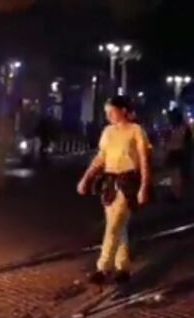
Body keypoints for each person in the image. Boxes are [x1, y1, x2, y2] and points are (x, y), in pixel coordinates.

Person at [77, 96, 151, 285]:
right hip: (109, 182)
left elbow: (144, 159)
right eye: (106, 112)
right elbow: (101, 157)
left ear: (123, 110)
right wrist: (86, 178)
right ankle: (123, 268)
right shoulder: (108, 132)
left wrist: (144, 186)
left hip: (128, 182)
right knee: (119, 226)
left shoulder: (136, 130)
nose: (108, 115)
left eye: (111, 111)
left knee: (114, 225)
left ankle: (104, 268)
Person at [165, 108, 192, 199]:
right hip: (174, 152)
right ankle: (174, 192)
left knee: (176, 174)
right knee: (173, 174)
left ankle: (177, 194)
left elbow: (186, 143)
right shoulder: (176, 128)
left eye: (172, 117)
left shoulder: (183, 128)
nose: (170, 119)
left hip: (178, 152)